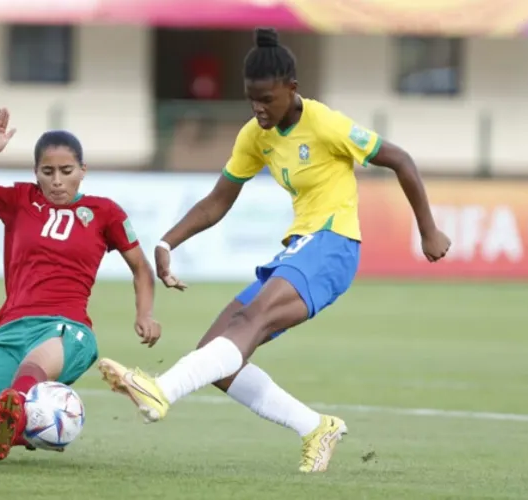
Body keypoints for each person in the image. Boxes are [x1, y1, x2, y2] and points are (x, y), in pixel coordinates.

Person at [97, 28, 452, 473]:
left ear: (292, 89)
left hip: (333, 244)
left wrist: (429, 230)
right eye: (251, 99)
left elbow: (399, 158)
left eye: (267, 99)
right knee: (220, 359)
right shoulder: (255, 135)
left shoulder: (325, 124)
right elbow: (217, 201)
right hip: (298, 247)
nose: (259, 109)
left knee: (247, 322)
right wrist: (168, 240)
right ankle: (316, 427)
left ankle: (161, 391)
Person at [0, 108, 161, 463]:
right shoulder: (19, 200)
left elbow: (140, 268)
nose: (57, 180)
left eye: (67, 171)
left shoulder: (105, 212)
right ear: (36, 173)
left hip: (66, 329)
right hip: (11, 331)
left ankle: (20, 410)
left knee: (32, 368)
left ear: (83, 172)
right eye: (48, 172)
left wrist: (145, 313)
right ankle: (21, 429)